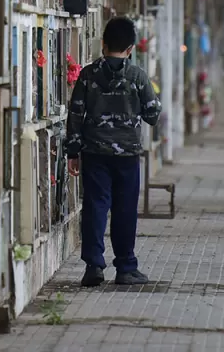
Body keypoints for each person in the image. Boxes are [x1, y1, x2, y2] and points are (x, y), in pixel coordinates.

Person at [64, 16, 162, 287]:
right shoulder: (137, 75)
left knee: (96, 206)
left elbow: (75, 114)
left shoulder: (87, 74)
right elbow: (153, 114)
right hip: (128, 155)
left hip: (95, 152)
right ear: (130, 48)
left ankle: (94, 266)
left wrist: (73, 151)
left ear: (103, 43)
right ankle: (126, 267)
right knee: (125, 209)